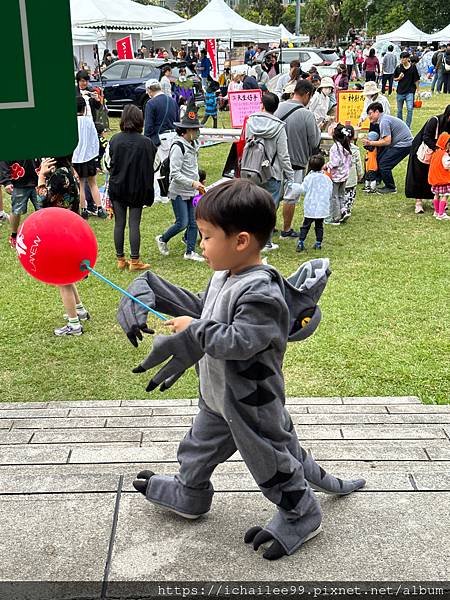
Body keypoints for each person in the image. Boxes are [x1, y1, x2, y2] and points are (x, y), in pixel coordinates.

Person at [120, 178, 365, 561]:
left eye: (205, 236)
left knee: (273, 463)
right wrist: (147, 288)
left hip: (253, 403)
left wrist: (194, 331)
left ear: (241, 241)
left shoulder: (262, 291)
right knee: (196, 450)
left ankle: (302, 514)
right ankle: (190, 492)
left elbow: (242, 341)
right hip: (217, 399)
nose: (201, 245)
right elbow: (203, 308)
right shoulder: (224, 275)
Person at [36, 156, 90, 337]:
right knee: (69, 274)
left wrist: (41, 177)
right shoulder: (69, 170)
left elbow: (41, 203)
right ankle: (80, 310)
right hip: (69, 229)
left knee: (62, 278)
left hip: (59, 233)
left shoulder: (58, 176)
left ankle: (74, 324)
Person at [106, 105, 155, 271]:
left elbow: (106, 164)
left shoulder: (114, 139)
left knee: (119, 224)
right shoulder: (147, 142)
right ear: (139, 120)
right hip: (137, 188)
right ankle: (135, 261)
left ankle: (120, 259)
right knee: (134, 224)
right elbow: (155, 165)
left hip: (117, 186)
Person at [155, 102, 205, 262]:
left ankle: (190, 251)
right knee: (182, 222)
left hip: (192, 190)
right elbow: (175, 173)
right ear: (187, 130)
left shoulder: (193, 144)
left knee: (193, 222)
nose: (197, 132)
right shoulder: (178, 147)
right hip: (178, 190)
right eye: (195, 129)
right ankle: (163, 238)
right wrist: (193, 183)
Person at [245, 92, 294, 251]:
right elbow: (283, 154)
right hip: (272, 171)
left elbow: (247, 144)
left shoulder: (251, 121)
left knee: (254, 206)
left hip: (252, 169)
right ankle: (265, 242)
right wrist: (290, 175)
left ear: (262, 105)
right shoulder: (279, 127)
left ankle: (252, 239)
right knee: (270, 207)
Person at [274, 79, 321, 238]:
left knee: (273, 195)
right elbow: (314, 141)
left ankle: (269, 226)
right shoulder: (307, 114)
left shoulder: (277, 107)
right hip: (296, 161)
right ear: (307, 94)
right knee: (290, 197)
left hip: (274, 160)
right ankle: (286, 230)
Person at [405, 105, 450, 214]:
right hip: (423, 152)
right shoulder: (435, 121)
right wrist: (438, 149)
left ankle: (436, 201)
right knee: (420, 175)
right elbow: (426, 137)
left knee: (437, 176)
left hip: (439, 153)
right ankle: (418, 202)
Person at [362, 102, 413, 194]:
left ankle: (390, 187)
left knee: (384, 164)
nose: (369, 117)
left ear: (377, 112)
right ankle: (376, 180)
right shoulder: (384, 119)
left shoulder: (384, 121)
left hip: (404, 145)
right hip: (399, 143)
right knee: (379, 158)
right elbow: (384, 139)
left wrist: (371, 142)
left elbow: (387, 141)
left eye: (370, 114)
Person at [144, 79, 179, 203]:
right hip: (174, 135)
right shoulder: (172, 101)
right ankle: (173, 191)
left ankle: (160, 195)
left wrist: (147, 140)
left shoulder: (151, 103)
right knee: (173, 165)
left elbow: (148, 126)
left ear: (149, 90)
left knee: (158, 167)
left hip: (160, 138)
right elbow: (177, 119)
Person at [72, 97, 106, 220]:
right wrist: (95, 157)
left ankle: (84, 210)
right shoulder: (89, 121)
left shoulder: (71, 122)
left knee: (80, 185)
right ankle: (100, 208)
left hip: (76, 158)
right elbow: (94, 140)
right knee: (93, 183)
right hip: (89, 157)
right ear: (84, 108)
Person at [0, 157, 41, 249]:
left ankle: (44, 235)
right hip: (19, 182)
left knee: (42, 210)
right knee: (16, 211)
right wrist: (6, 182)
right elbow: (4, 161)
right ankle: (14, 235)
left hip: (38, 180)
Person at [296, 154, 332, 251]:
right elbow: (330, 191)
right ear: (322, 165)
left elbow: (303, 189)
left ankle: (301, 242)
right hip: (321, 207)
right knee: (319, 226)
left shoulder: (309, 178)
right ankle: (318, 243)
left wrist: (294, 186)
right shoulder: (326, 178)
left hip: (310, 206)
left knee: (305, 225)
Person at [326, 123, 352, 225]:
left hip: (336, 176)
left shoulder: (335, 147)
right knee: (341, 195)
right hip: (344, 175)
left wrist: (327, 165)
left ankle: (335, 217)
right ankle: (343, 211)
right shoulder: (346, 145)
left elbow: (335, 162)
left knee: (334, 196)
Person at [394, 52, 420, 128]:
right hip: (400, 91)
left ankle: (407, 126)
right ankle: (400, 125)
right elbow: (394, 78)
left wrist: (418, 90)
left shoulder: (413, 67)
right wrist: (398, 78)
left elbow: (416, 79)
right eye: (401, 58)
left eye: (404, 58)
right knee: (399, 110)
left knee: (410, 109)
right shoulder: (399, 67)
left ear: (408, 58)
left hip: (410, 91)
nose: (402, 60)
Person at [428, 132, 450, 220]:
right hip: (443, 179)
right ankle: (441, 214)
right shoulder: (445, 155)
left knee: (436, 195)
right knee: (445, 196)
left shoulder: (436, 153)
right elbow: (446, 165)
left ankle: (436, 212)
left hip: (435, 179)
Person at [343, 125, 364, 218]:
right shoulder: (355, 150)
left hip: (340, 177)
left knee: (340, 194)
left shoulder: (337, 148)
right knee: (350, 193)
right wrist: (360, 174)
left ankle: (341, 208)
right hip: (351, 177)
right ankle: (347, 208)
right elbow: (358, 164)